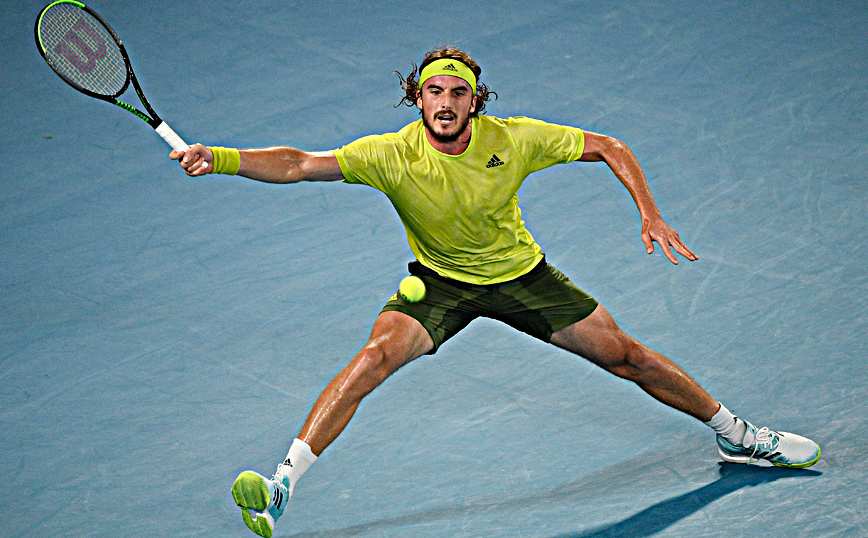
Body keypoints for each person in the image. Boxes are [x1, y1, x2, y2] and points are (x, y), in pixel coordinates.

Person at [172, 47, 820, 538]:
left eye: (458, 92)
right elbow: (297, 163)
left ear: (475, 101)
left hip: (519, 278)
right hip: (439, 283)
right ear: (417, 98)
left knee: (628, 357)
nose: (446, 101)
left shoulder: (511, 139)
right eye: (434, 91)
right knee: (372, 359)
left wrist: (649, 213)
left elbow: (608, 146)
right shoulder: (390, 154)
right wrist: (219, 157)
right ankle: (282, 486)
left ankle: (737, 435)